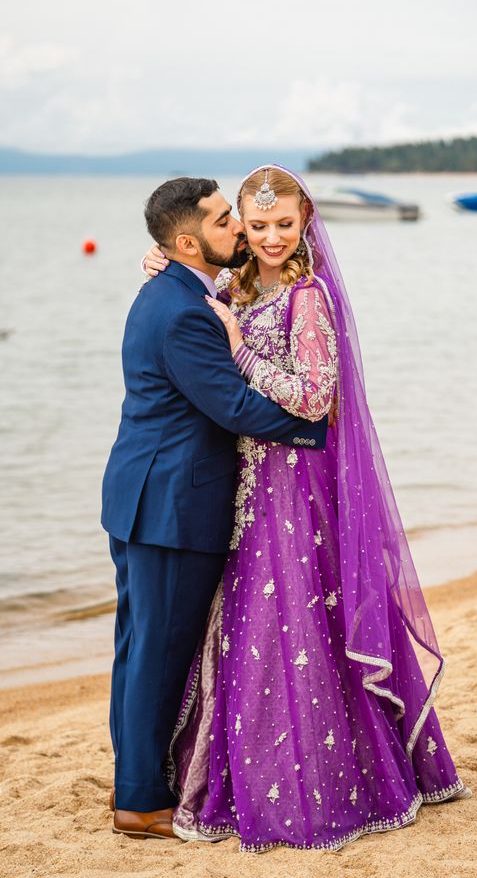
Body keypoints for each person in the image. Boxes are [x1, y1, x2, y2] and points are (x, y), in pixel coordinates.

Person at [143, 165, 469, 852]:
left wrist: (239, 351)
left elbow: (314, 397)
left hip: (299, 483)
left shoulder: (308, 298)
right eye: (255, 225)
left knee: (296, 617)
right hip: (251, 482)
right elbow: (191, 288)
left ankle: (330, 782)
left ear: (305, 221)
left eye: (282, 225)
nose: (268, 237)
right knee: (250, 622)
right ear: (237, 224)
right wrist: (157, 261)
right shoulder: (235, 286)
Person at [101, 176, 327, 839]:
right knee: (158, 653)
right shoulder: (185, 311)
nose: (240, 228)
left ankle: (137, 781)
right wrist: (312, 429)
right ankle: (141, 800)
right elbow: (230, 405)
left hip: (145, 498)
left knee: (139, 648)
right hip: (173, 506)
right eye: (226, 220)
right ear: (188, 240)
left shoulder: (175, 288)